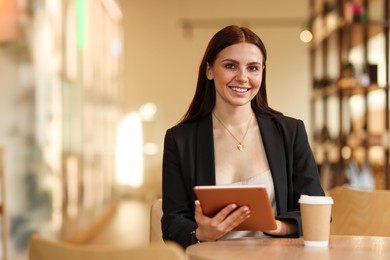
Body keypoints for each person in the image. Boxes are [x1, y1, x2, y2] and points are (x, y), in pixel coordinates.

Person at [161, 25, 325, 249]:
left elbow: (317, 208)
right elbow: (172, 223)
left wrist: (277, 226)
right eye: (230, 66)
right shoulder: (180, 140)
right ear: (209, 70)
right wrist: (201, 233)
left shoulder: (290, 132)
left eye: (253, 68)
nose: (242, 77)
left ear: (262, 72)